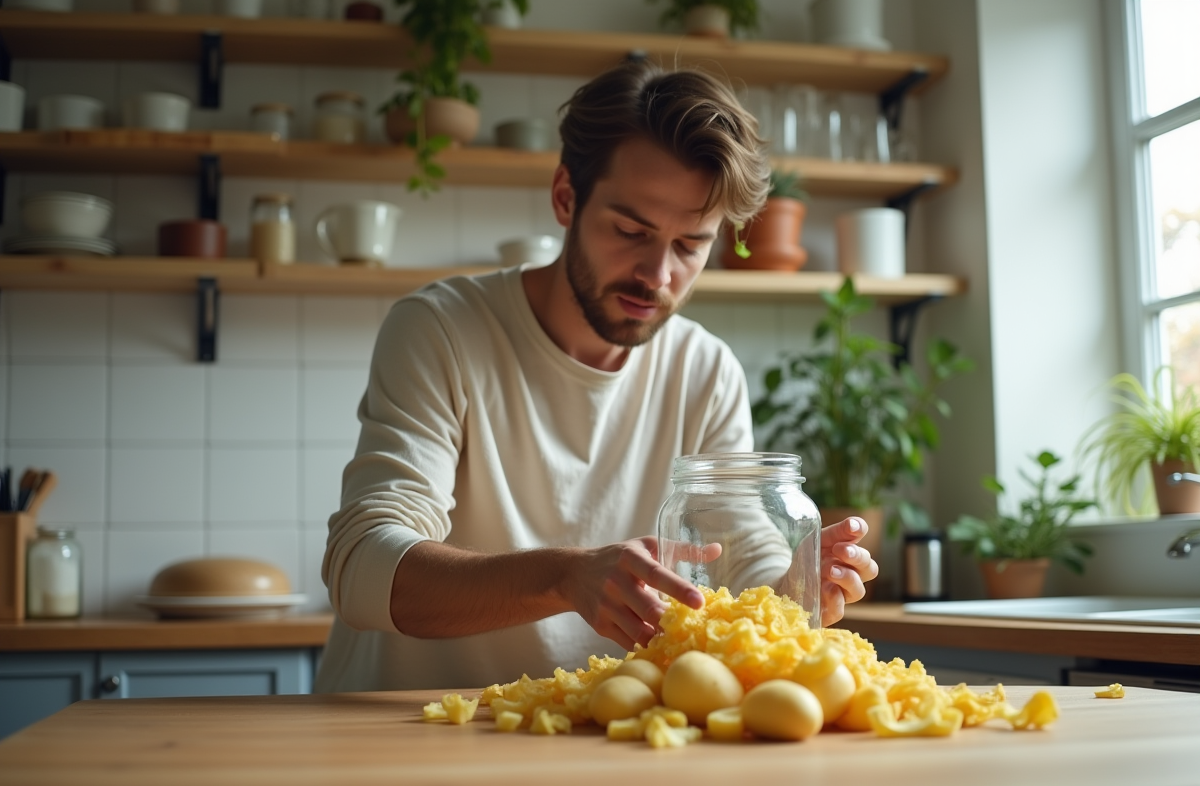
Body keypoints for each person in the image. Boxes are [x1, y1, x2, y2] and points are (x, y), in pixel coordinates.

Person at [314, 60, 879, 693]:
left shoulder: (706, 370)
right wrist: (563, 576)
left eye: (690, 245)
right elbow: (362, 569)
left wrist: (797, 583)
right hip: (403, 722)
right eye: (631, 231)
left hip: (585, 727)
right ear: (566, 197)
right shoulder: (441, 330)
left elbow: (743, 550)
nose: (658, 275)